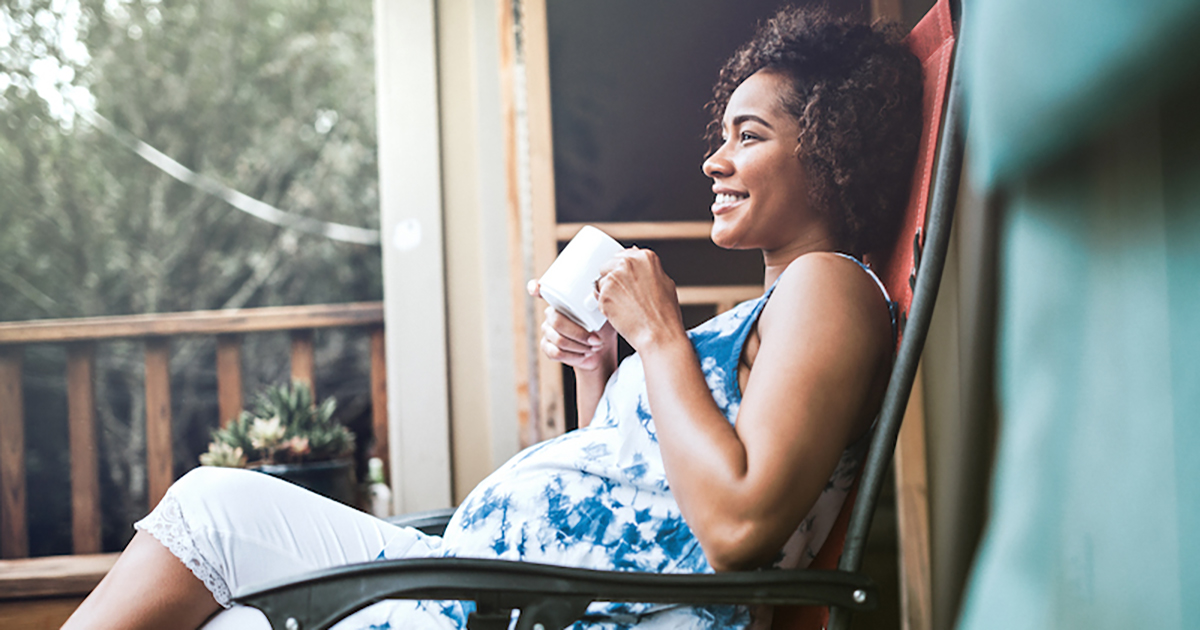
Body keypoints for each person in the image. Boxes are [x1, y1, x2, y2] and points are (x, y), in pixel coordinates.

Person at [63, 6, 921, 630]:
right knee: (220, 557)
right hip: (499, 588)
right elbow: (639, 495)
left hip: (519, 607)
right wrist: (601, 366)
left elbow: (737, 530)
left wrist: (661, 335)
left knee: (215, 523)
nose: (714, 159)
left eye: (749, 136)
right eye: (723, 135)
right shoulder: (778, 304)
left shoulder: (830, 288)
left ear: (830, 150)